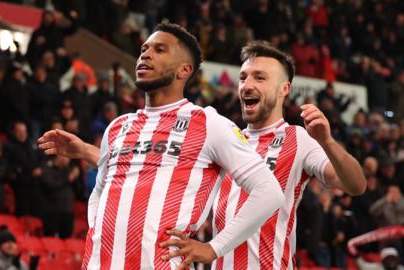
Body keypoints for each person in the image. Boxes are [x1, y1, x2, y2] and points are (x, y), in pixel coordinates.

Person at [38, 23, 284, 269]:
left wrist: (213, 248)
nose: (146, 54)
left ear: (184, 70)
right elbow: (99, 193)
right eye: (144, 48)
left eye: (160, 50)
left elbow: (268, 191)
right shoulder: (117, 127)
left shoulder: (208, 124)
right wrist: (98, 232)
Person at [210, 41, 366, 269]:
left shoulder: (297, 138)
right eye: (243, 77)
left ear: (284, 89)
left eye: (260, 78)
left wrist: (327, 142)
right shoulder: (227, 140)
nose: (247, 85)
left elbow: (356, 185)